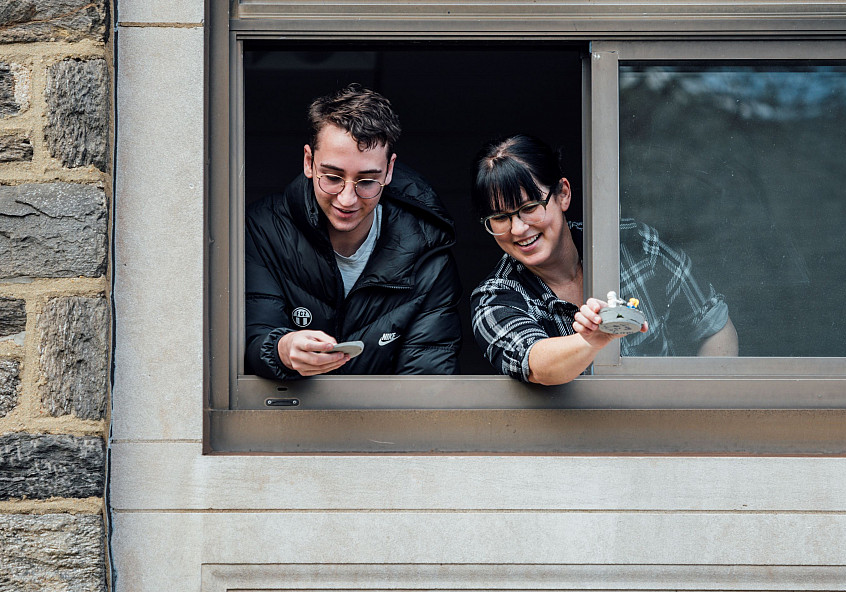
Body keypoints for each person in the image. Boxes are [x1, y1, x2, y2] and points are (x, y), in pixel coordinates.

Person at [470, 134, 738, 385]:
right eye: (500, 217)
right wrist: (593, 339)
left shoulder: (635, 245)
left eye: (529, 208)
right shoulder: (494, 298)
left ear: (563, 194)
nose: (518, 229)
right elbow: (537, 364)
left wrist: (700, 407)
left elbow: (715, 326)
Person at [245, 83, 462, 379]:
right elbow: (250, 337)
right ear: (309, 162)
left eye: (367, 181)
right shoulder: (262, 229)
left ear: (389, 170)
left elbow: (427, 379)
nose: (347, 199)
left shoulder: (428, 252)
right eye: (333, 178)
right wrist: (282, 349)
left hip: (384, 412)